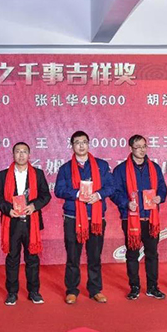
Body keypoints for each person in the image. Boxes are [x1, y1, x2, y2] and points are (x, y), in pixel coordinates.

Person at [54, 130, 114, 304]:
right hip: (73, 218)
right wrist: (77, 194)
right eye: (77, 142)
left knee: (94, 256)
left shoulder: (102, 166)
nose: (81, 145)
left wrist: (99, 195)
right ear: (72, 146)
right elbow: (59, 190)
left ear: (88, 144)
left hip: (95, 218)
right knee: (73, 256)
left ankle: (95, 289)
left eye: (84, 142)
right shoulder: (65, 169)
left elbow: (111, 187)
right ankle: (72, 290)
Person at [0, 142, 51, 306]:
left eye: (24, 151)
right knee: (12, 258)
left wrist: (34, 206)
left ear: (29, 155)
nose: (21, 154)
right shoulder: (2, 175)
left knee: (32, 258)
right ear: (13, 155)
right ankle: (12, 293)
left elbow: (46, 196)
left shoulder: (38, 174)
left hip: (31, 222)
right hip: (12, 222)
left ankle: (34, 292)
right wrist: (8, 209)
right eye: (18, 151)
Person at [111, 134, 167, 300]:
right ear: (131, 149)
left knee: (152, 254)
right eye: (138, 147)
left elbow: (162, 188)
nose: (142, 150)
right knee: (132, 254)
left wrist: (159, 197)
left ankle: (152, 287)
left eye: (144, 146)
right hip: (130, 218)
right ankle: (134, 286)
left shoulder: (154, 168)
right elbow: (114, 192)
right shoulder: (121, 170)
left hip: (151, 218)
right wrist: (126, 203)